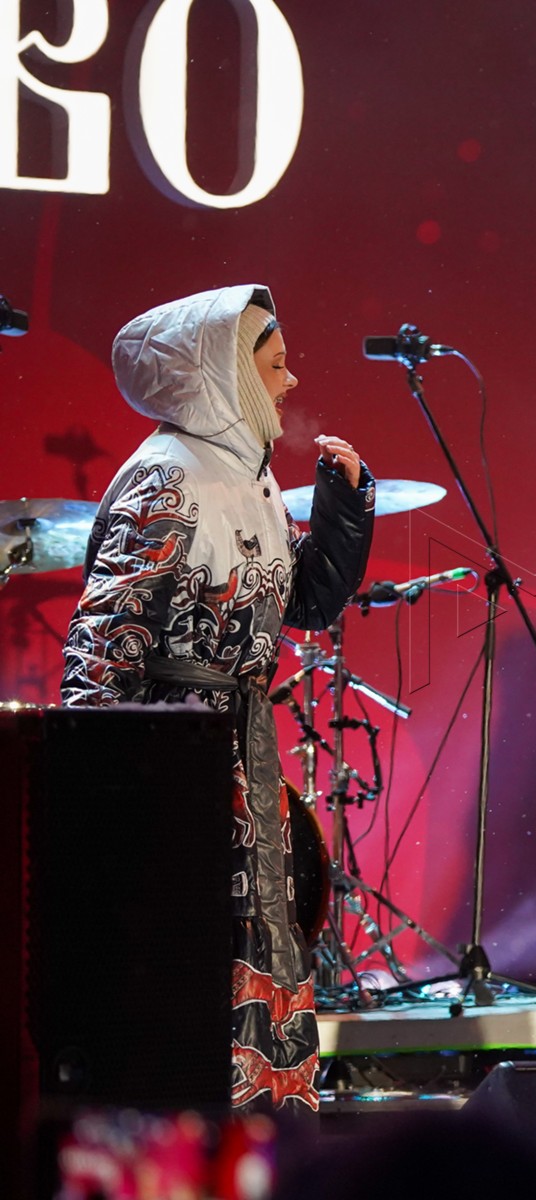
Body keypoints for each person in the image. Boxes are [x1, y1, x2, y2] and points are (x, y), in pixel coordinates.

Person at [64, 285, 375, 1113]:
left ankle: (261, 1124)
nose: (290, 380)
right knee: (184, 942)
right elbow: (104, 648)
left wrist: (343, 509)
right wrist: (102, 795)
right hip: (174, 753)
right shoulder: (167, 479)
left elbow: (302, 603)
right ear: (224, 375)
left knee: (256, 933)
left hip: (238, 742)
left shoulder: (250, 476)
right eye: (274, 365)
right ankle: (192, 1133)